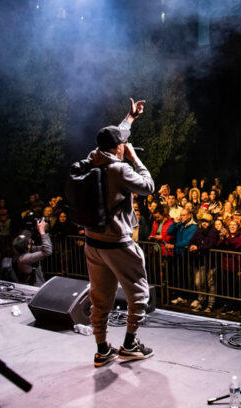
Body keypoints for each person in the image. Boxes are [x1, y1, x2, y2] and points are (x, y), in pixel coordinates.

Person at [83, 98, 155, 367]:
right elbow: (148, 186)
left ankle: (102, 350)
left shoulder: (91, 159)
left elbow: (116, 136)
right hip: (117, 242)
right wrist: (135, 158)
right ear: (119, 148)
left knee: (99, 298)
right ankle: (129, 345)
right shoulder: (119, 169)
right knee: (139, 294)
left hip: (92, 241)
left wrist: (130, 118)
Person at [12, 220, 52, 286]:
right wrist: (42, 231)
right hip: (33, 287)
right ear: (28, 245)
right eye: (29, 241)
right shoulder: (25, 258)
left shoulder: (20, 253)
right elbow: (48, 251)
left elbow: (48, 247)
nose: (32, 240)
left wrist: (45, 231)